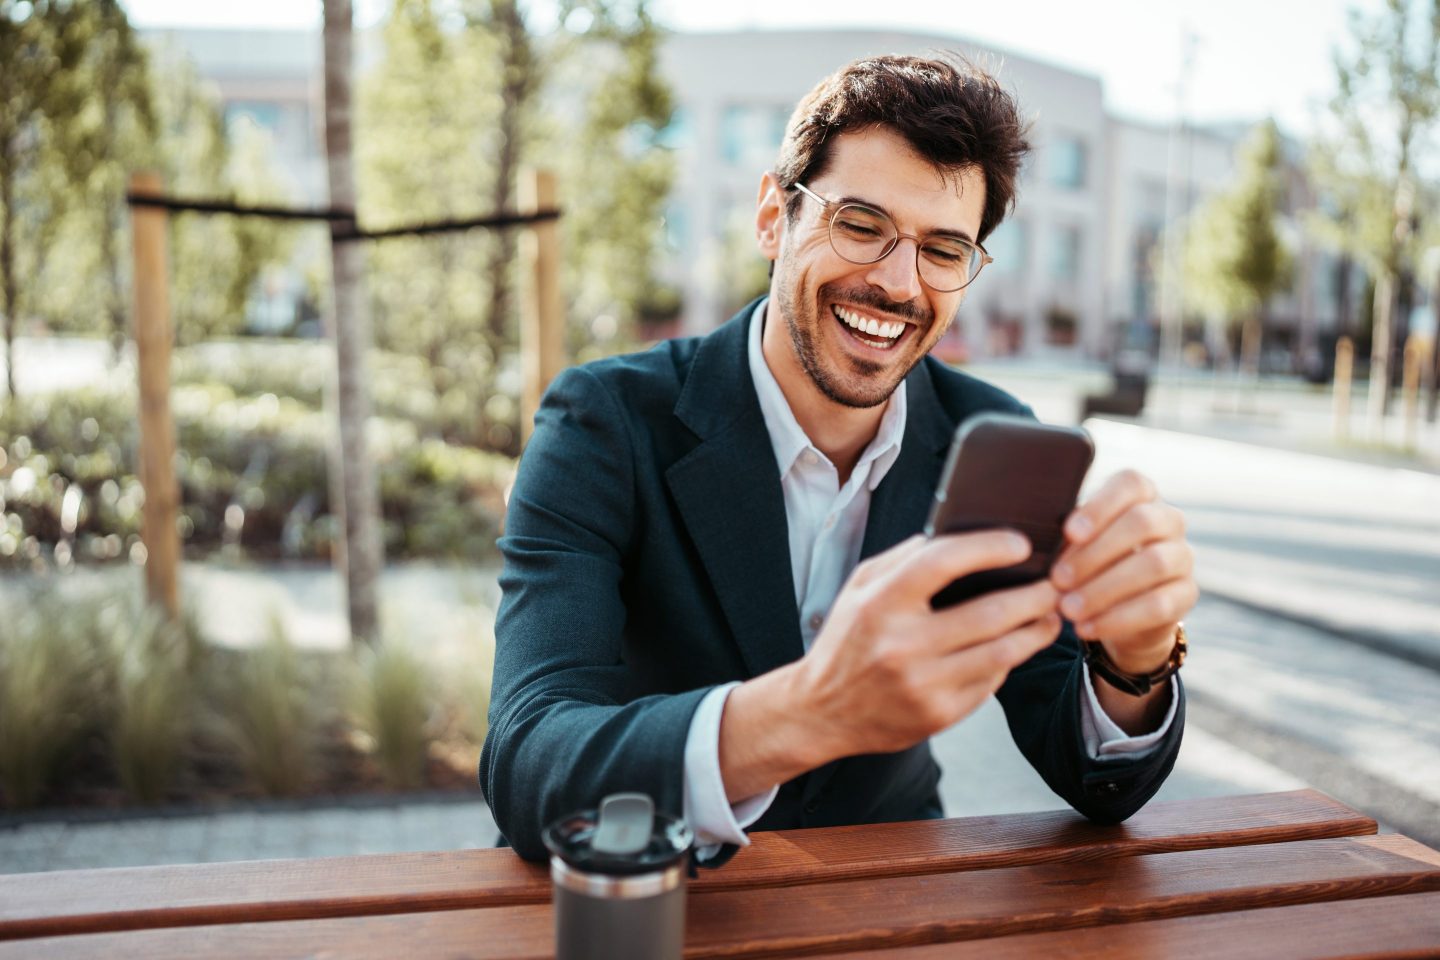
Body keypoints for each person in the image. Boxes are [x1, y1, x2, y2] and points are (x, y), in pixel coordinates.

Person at [480, 54, 1195, 864]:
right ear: (772, 217)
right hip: (649, 900)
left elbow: (1097, 781)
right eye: (861, 224)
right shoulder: (600, 422)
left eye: (944, 250)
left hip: (888, 905)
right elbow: (529, 760)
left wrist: (1133, 663)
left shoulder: (990, 438)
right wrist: (805, 713)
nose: (898, 283)